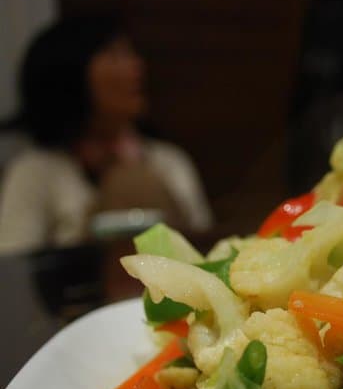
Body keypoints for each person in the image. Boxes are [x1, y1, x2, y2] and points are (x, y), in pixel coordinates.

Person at [0, 16, 213, 254]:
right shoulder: (36, 172)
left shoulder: (168, 160)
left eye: (130, 54)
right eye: (115, 55)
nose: (136, 67)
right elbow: (12, 265)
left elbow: (204, 246)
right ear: (71, 72)